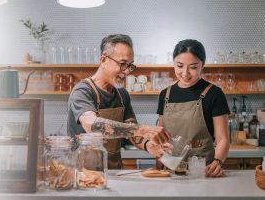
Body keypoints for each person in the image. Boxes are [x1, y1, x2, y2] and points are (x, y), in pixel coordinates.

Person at [67, 34, 171, 169]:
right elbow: (91, 125)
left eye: (130, 65)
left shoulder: (122, 94)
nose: (127, 71)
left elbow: (132, 132)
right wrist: (143, 129)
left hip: (115, 172)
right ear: (104, 60)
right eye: (122, 64)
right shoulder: (83, 91)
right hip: (84, 174)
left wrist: (147, 145)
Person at [148, 39, 230, 177]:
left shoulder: (214, 93)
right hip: (170, 171)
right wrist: (159, 167)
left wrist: (217, 162)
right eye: (179, 66)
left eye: (193, 67)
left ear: (202, 65)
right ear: (173, 63)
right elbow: (161, 138)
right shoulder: (165, 95)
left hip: (202, 170)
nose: (185, 73)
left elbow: (223, 139)